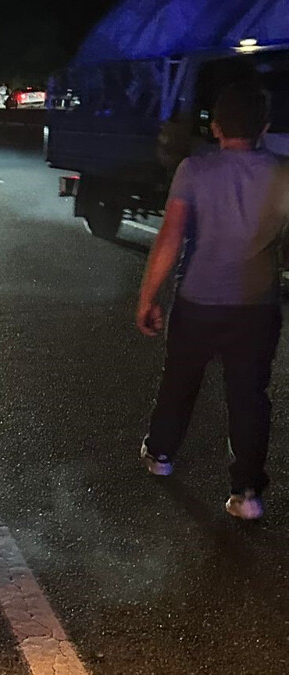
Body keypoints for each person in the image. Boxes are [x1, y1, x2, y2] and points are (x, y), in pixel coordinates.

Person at [135, 82, 288, 521]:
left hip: (198, 302)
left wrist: (148, 297)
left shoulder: (193, 171)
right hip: (257, 307)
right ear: (265, 126)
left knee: (179, 381)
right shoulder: (283, 173)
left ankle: (161, 453)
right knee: (249, 396)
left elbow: (170, 236)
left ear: (215, 126)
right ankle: (246, 493)